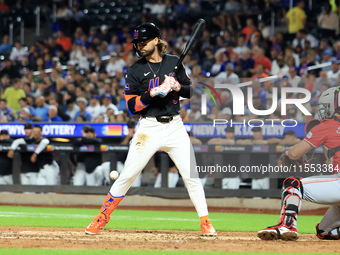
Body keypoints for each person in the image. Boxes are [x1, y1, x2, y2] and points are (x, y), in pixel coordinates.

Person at [85, 22, 217, 236]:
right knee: (127, 175)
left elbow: (191, 91)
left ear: (156, 40)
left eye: (143, 42)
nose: (140, 46)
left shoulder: (174, 62)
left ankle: (205, 221)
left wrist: (176, 87)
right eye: (137, 43)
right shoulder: (135, 70)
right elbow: (131, 106)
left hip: (175, 126)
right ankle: (102, 216)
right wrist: (152, 93)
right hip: (149, 127)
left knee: (191, 176)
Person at [258, 86, 340, 241]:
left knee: (293, 184)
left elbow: (295, 154)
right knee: (324, 231)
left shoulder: (328, 125)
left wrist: (287, 152)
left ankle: (286, 225)